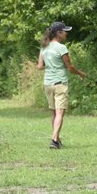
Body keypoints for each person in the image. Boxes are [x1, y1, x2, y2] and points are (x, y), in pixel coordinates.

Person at [37, 21, 86, 149]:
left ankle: (57, 139)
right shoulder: (61, 48)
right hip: (60, 84)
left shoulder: (44, 47)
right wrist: (81, 74)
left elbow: (40, 66)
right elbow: (70, 67)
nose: (66, 34)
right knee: (60, 113)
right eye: (65, 31)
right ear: (58, 33)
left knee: (53, 113)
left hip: (48, 83)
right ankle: (54, 140)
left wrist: (51, 64)